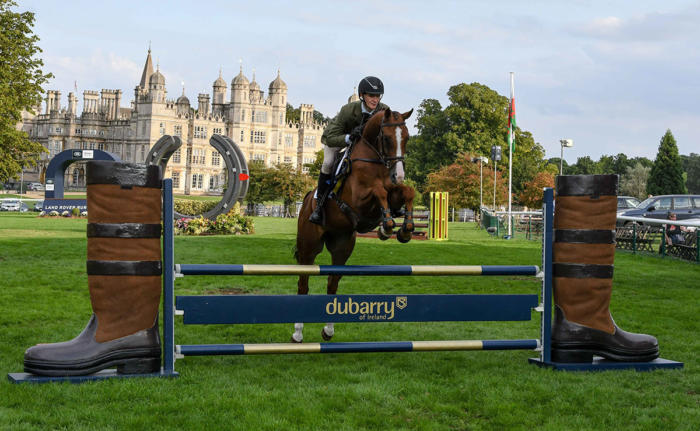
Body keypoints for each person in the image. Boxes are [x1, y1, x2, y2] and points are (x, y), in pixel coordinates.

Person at [309, 76, 389, 225]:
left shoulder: (383, 110)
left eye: (377, 96)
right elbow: (331, 137)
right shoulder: (348, 110)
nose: (375, 99)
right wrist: (349, 137)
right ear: (362, 96)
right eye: (371, 95)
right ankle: (319, 205)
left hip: (364, 146)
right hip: (338, 139)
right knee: (328, 163)